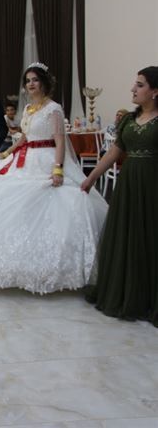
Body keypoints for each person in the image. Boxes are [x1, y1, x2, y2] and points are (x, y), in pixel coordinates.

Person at [0, 62, 108, 293]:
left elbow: (60, 141)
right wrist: (6, 153)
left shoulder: (54, 109)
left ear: (44, 83)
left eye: (35, 80)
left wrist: (57, 168)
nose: (31, 84)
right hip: (25, 157)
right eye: (28, 81)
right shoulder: (28, 109)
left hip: (46, 159)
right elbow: (25, 137)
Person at [81, 66, 158, 326]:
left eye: (140, 85)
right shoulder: (128, 120)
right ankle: (126, 293)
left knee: (150, 237)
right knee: (129, 236)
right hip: (128, 186)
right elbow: (114, 153)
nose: (133, 89)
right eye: (135, 84)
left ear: (155, 91)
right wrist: (92, 177)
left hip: (153, 185)